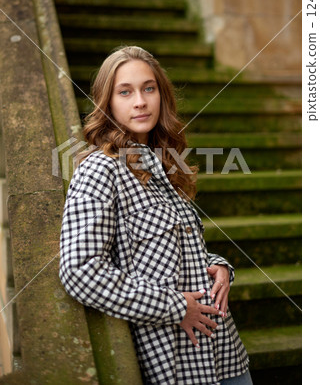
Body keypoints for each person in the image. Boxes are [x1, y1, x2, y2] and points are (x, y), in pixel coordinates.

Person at [59, 46, 252, 384]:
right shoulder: (100, 170)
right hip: (174, 363)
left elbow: (161, 249)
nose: (140, 101)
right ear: (107, 102)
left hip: (224, 354)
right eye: (125, 91)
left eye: (149, 88)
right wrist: (175, 307)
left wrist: (218, 265)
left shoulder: (165, 163)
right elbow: (80, 271)